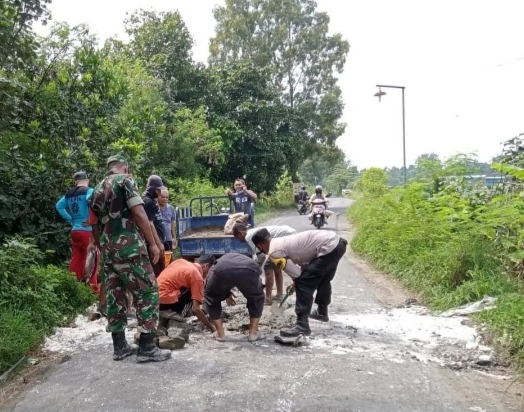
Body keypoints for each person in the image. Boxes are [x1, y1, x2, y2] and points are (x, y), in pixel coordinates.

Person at [89, 154, 171, 363]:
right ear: (125, 167)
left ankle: (120, 347)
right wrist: (153, 243)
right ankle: (147, 346)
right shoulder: (125, 181)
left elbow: (94, 225)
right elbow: (139, 213)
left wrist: (104, 248)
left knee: (116, 297)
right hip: (131, 249)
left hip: (109, 252)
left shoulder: (96, 191)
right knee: (148, 291)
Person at [251, 229, 347, 338]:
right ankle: (322, 312)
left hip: (328, 246)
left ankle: (302, 326)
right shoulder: (280, 242)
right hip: (338, 244)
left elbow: (297, 275)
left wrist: (297, 283)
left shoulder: (273, 252)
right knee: (323, 279)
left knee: (304, 283)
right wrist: (294, 282)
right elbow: (305, 263)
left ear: (259, 247)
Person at [204, 253, 265, 342]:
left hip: (222, 269)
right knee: (256, 297)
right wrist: (227, 295)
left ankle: (220, 334)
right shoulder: (245, 259)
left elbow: (212, 287)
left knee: (211, 297)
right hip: (250, 268)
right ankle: (253, 333)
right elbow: (240, 278)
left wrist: (224, 294)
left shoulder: (218, 263)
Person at [55, 171, 99, 293]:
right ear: (87, 180)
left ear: (75, 182)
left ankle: (73, 285)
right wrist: (91, 220)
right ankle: (92, 289)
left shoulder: (69, 194)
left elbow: (59, 206)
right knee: (92, 257)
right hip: (88, 231)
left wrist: (71, 220)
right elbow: (92, 201)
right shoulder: (89, 191)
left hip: (75, 230)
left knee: (77, 257)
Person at [232, 223, 296, 304]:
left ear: (241, 233)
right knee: (276, 267)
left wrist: (253, 271)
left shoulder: (248, 237)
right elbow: (259, 253)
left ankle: (268, 298)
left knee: (268, 268)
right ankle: (279, 295)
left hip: (284, 237)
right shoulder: (251, 232)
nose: (239, 240)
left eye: (238, 237)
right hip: (289, 233)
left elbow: (261, 256)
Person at [156, 255, 215, 333]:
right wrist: (212, 328)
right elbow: (196, 309)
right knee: (192, 292)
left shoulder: (180, 261)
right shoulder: (197, 276)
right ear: (206, 266)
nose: (208, 275)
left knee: (189, 288)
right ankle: (176, 314)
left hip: (154, 298)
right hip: (164, 300)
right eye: (209, 272)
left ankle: (166, 311)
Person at [142, 175, 167, 277]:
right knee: (159, 272)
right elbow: (150, 225)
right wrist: (157, 244)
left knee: (162, 270)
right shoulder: (148, 202)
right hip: (155, 244)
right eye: (160, 190)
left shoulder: (150, 201)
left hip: (157, 241)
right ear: (156, 190)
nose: (161, 192)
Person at [158, 189, 177, 265]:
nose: (165, 199)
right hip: (158, 239)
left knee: (168, 259)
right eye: (162, 197)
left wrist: (174, 237)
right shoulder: (155, 208)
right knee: (159, 259)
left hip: (168, 238)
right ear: (158, 197)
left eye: (166, 197)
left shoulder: (171, 208)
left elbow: (172, 223)